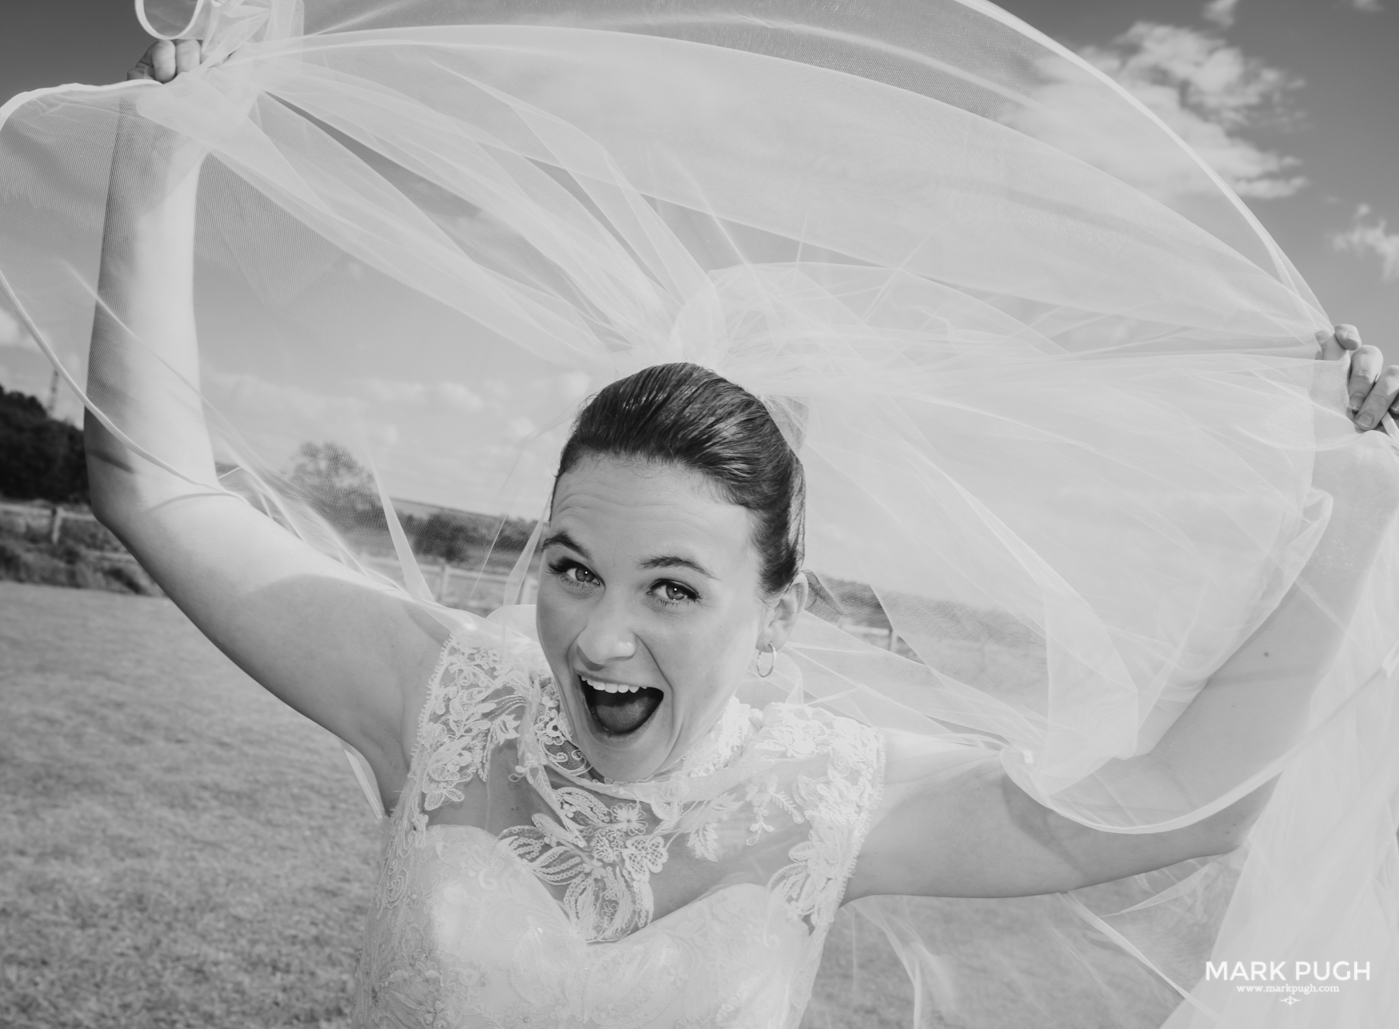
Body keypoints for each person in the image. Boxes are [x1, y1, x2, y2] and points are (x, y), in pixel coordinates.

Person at [7, 2, 1399, 1025]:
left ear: (775, 612)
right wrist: (173, 142)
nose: (598, 633)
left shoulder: (840, 795)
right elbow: (157, 484)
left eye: (673, 586)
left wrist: (1356, 494)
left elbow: (1168, 806)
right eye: (572, 563)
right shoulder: (441, 699)